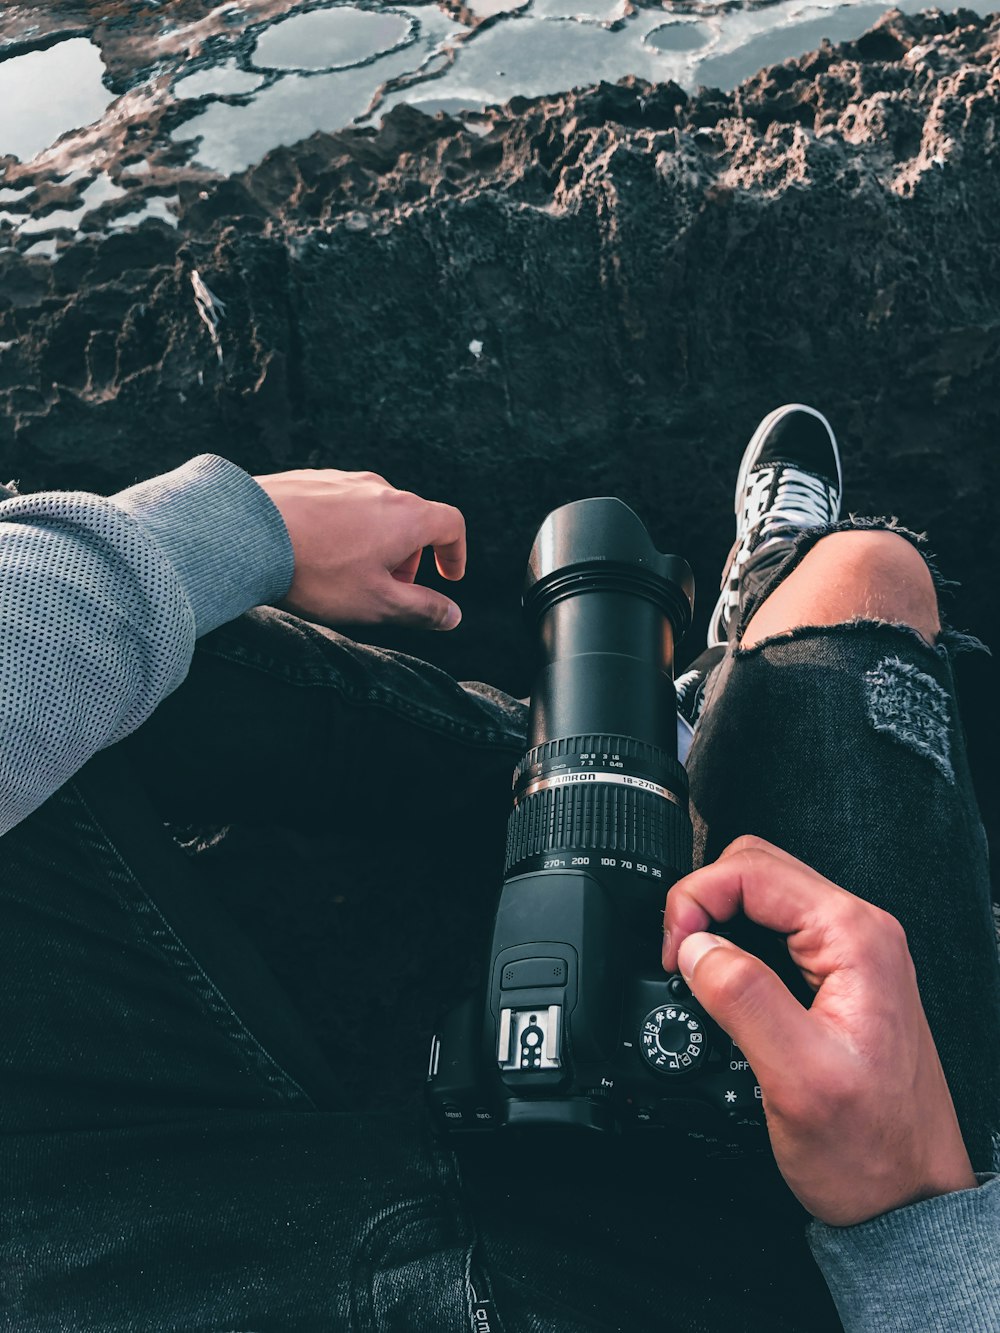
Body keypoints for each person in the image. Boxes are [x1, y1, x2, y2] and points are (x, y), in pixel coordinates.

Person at [0, 404, 997, 1332]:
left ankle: (639, 735)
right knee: (863, 576)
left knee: (148, 684)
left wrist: (240, 532)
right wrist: (909, 1216)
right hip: (748, 1256)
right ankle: (704, 695)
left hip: (246, 1214)